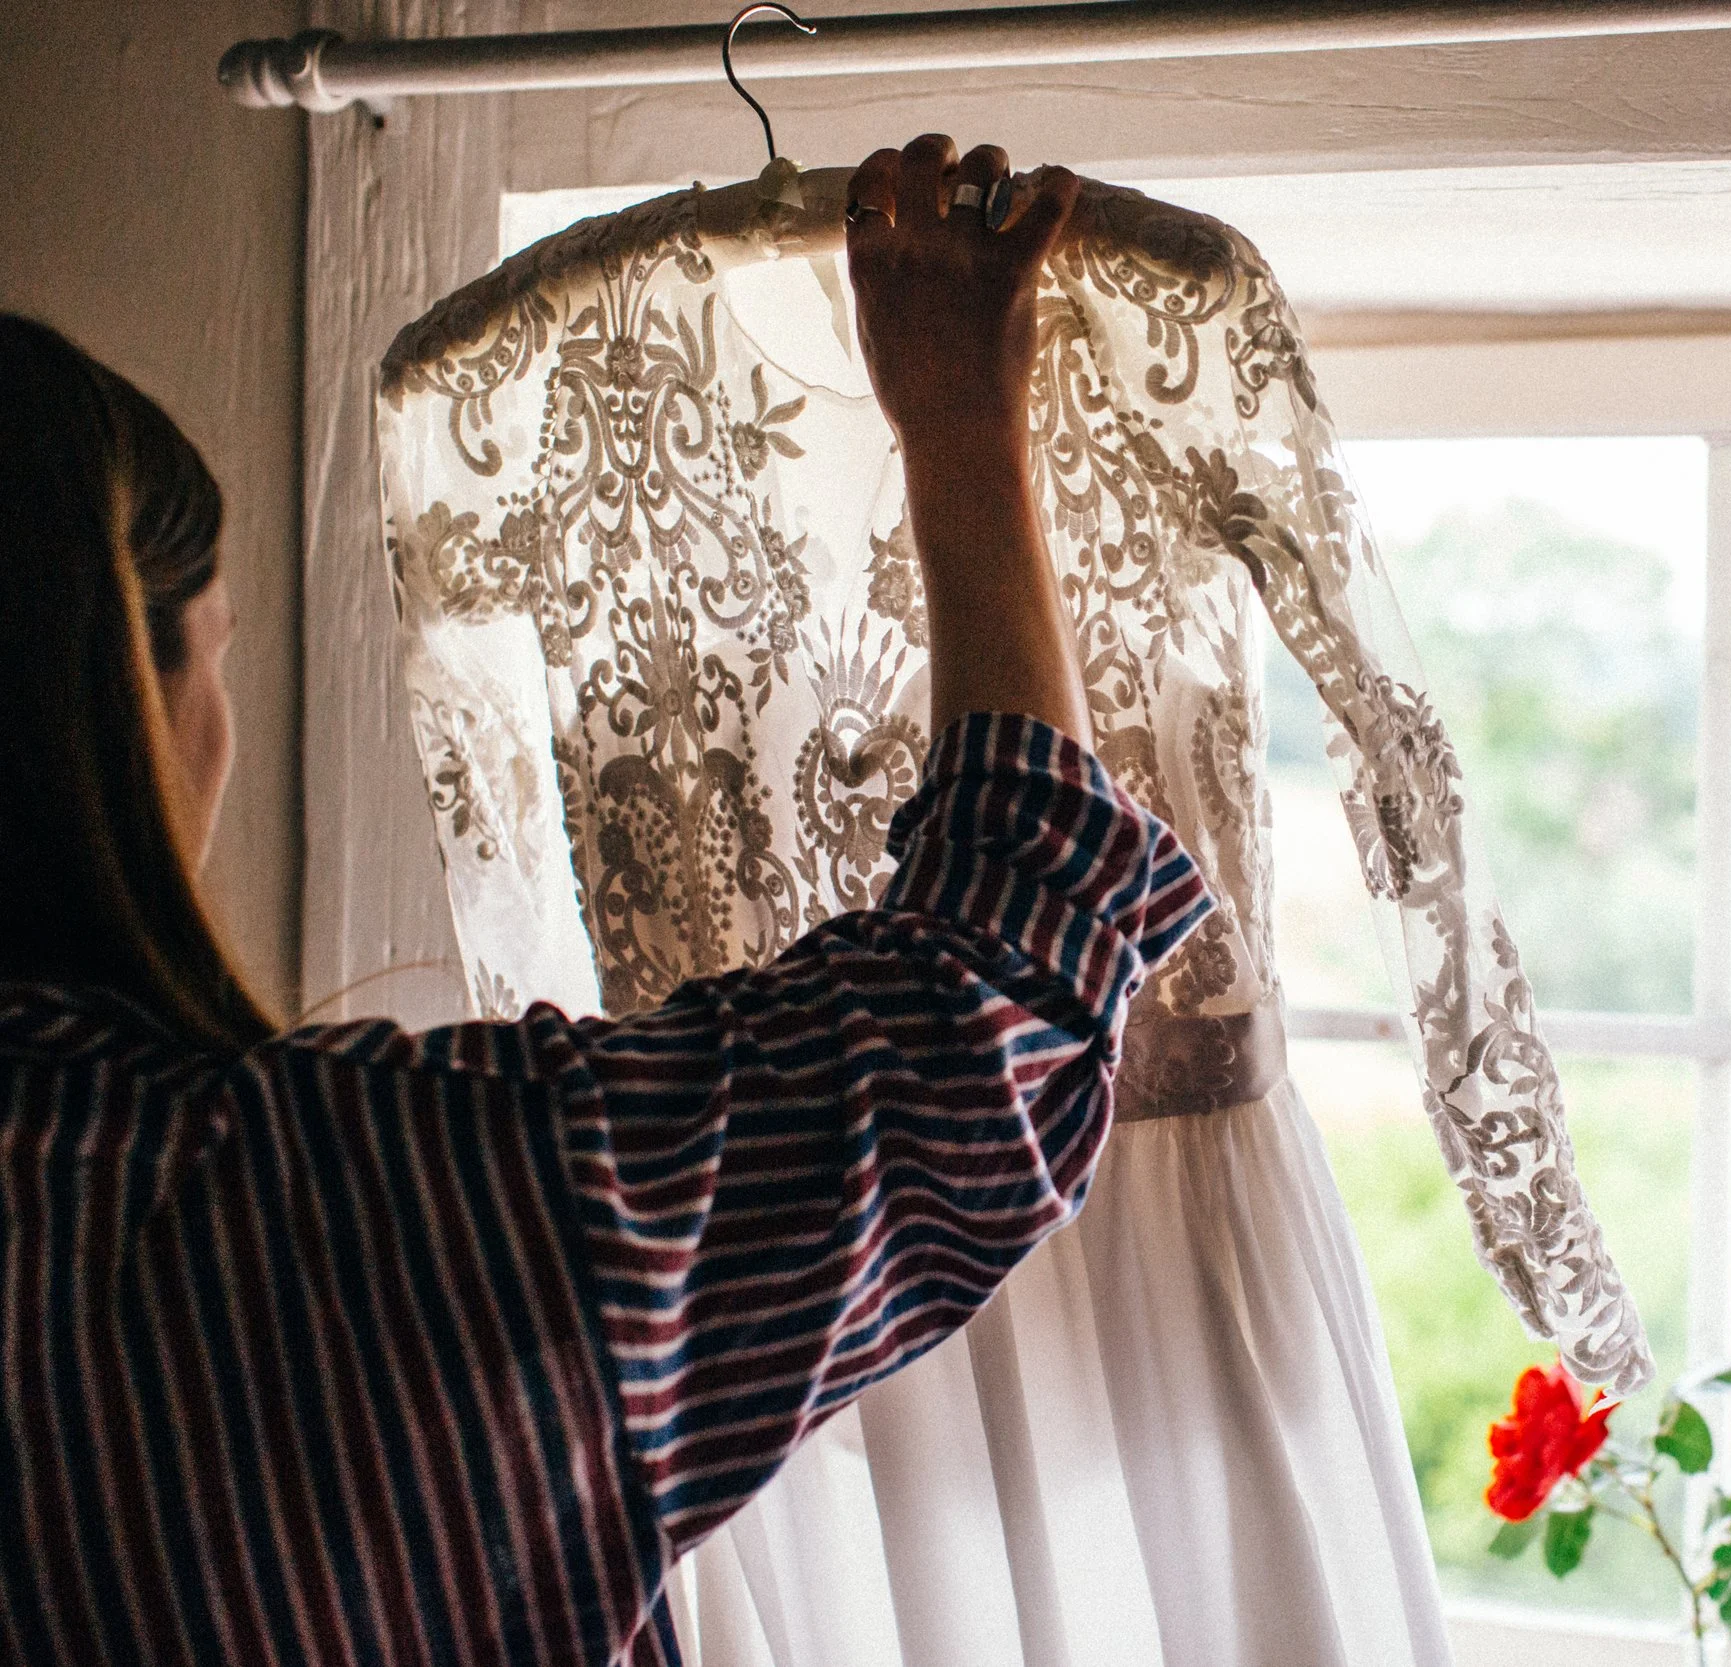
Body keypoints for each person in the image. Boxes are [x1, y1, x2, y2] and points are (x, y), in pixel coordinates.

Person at [0, 136, 1204, 1667]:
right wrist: (965, 427)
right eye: (218, 647)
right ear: (120, 698)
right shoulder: (357, 1210)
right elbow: (984, 1008)